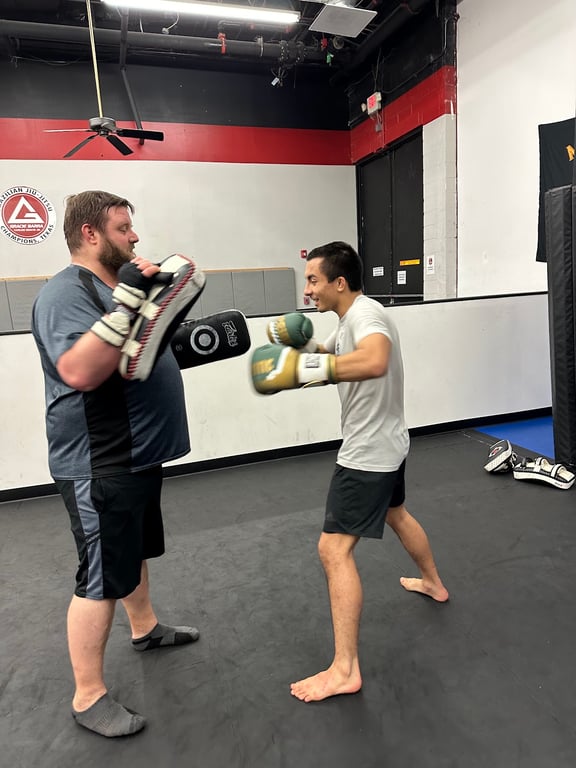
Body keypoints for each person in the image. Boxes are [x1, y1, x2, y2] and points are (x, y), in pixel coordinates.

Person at [31, 190, 201, 737]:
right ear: (90, 233)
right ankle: (88, 696)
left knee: (133, 550)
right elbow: (80, 370)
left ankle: (145, 628)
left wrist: (177, 333)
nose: (134, 236)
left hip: (137, 455)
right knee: (100, 577)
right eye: (123, 228)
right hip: (99, 460)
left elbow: (131, 356)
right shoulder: (65, 293)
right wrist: (130, 300)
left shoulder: (112, 289)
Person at [252, 241, 448, 703]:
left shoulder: (366, 316)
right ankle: (434, 583)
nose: (307, 290)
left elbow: (374, 360)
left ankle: (345, 670)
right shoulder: (348, 321)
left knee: (333, 549)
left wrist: (306, 368)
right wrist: (301, 349)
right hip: (390, 442)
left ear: (340, 282)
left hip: (367, 453)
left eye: (313, 280)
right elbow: (334, 357)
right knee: (396, 513)